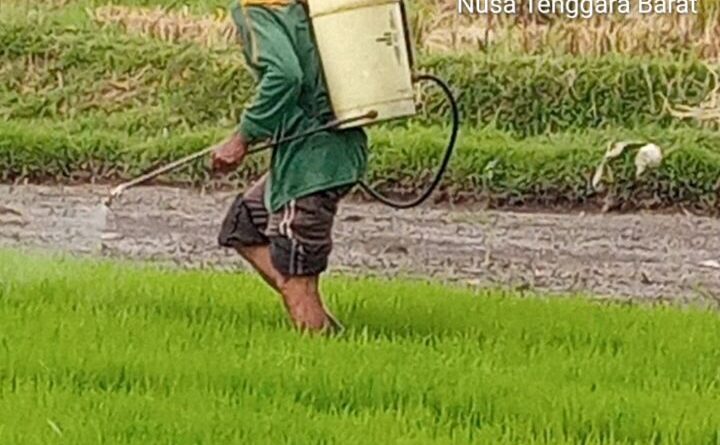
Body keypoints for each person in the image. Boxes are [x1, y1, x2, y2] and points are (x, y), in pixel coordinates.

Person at [211, 0, 368, 334]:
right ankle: (319, 320)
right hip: (331, 151)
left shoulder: (256, 8)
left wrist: (242, 137)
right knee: (245, 222)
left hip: (311, 161)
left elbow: (284, 76)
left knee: (298, 277)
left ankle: (317, 337)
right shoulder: (298, 6)